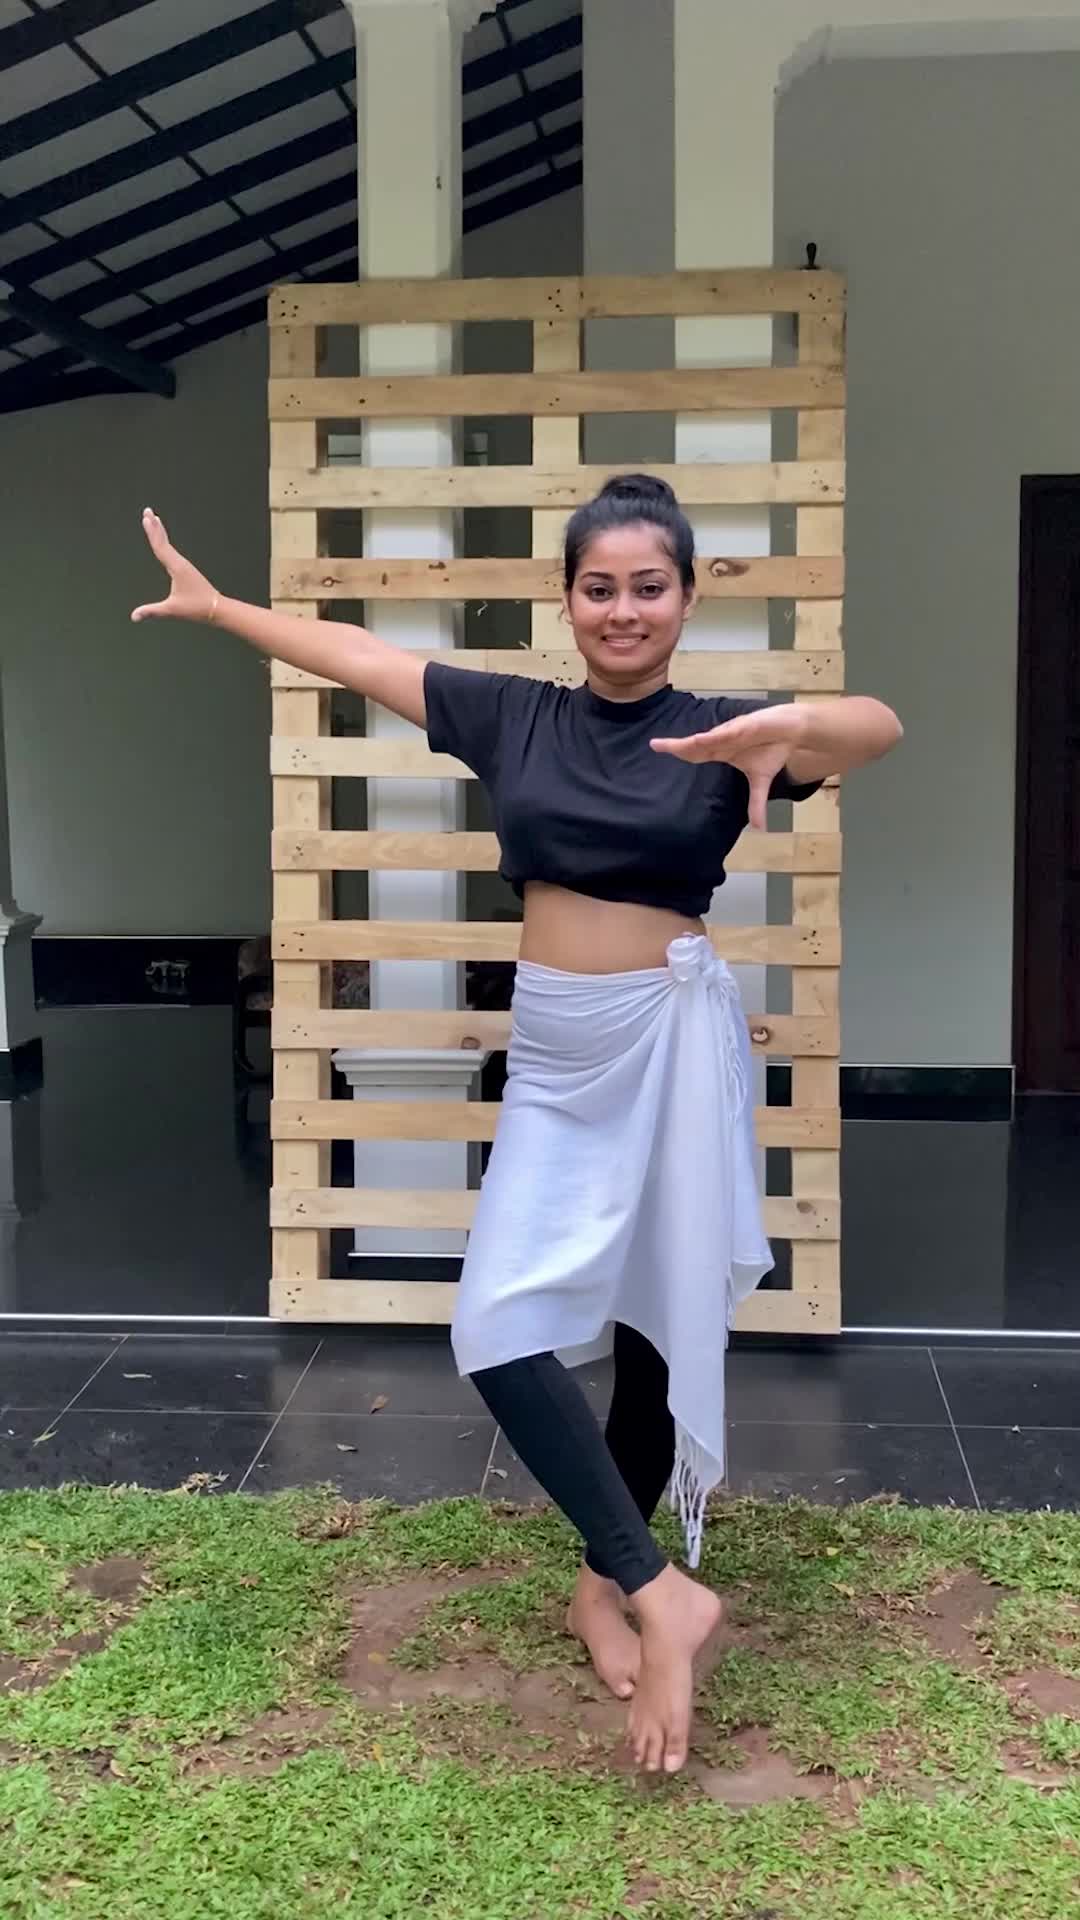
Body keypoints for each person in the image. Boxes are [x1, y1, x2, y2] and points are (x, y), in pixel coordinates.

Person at [133, 475, 901, 1776]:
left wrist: (799, 721)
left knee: (654, 1333)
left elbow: (880, 728)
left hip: (668, 1048)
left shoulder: (731, 733)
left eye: (648, 586)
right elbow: (359, 653)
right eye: (598, 587)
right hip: (556, 1056)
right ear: (567, 599)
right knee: (494, 1324)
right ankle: (662, 1590)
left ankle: (607, 1588)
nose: (622, 610)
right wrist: (222, 611)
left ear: (685, 596)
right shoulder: (515, 716)